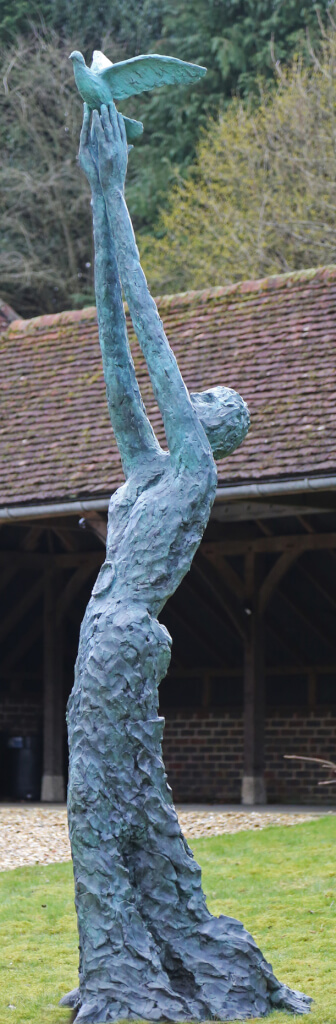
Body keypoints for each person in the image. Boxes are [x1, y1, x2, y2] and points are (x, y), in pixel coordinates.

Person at [62, 104, 310, 1023]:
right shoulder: (148, 471)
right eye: (199, 394)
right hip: (108, 640)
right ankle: (134, 959)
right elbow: (113, 356)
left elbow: (152, 347)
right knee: (127, 810)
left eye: (212, 398)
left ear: (221, 430)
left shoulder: (195, 472)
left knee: (100, 809)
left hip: (123, 640)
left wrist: (119, 193)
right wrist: (96, 205)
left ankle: (129, 976)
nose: (193, 395)